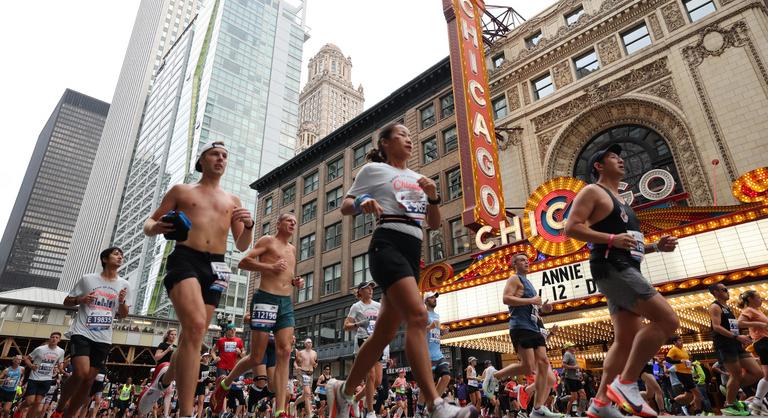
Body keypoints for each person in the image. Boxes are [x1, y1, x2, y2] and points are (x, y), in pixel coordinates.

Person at [325, 122, 476, 418]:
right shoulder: (373, 171)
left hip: (412, 250)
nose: (409, 139)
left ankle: (343, 393)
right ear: (384, 143)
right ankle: (436, 404)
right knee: (419, 315)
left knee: (382, 334)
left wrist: (432, 196)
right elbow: (345, 205)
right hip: (387, 244)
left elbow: (433, 223)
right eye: (401, 136)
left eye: (410, 135)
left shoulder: (419, 177)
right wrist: (363, 202)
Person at [137, 141, 254, 418]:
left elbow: (241, 245)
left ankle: (163, 382)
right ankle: (186, 413)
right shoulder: (182, 190)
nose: (221, 159)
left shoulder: (233, 200)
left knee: (194, 334)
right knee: (197, 326)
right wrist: (158, 226)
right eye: (215, 154)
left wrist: (248, 225)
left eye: (225, 156)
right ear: (202, 160)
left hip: (217, 266)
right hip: (185, 257)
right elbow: (148, 224)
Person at [564, 143, 680, 418]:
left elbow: (630, 243)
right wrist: (611, 239)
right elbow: (571, 227)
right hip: (610, 266)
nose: (620, 160)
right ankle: (626, 382)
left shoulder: (623, 201)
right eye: (612, 157)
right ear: (598, 166)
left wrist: (655, 247)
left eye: (620, 157)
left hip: (626, 265)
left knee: (625, 339)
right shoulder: (593, 191)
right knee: (668, 321)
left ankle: (601, 402)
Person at [209, 213, 303, 418]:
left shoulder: (292, 249)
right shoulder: (267, 241)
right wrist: (270, 266)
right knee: (257, 356)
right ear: (278, 223)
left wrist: (295, 281)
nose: (293, 223)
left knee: (285, 351)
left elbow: (286, 274)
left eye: (295, 222)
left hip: (286, 302)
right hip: (265, 299)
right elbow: (244, 262)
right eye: (289, 220)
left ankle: (280, 410)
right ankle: (225, 383)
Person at [52, 247, 129, 418]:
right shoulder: (88, 279)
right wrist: (81, 299)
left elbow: (123, 315)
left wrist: (122, 301)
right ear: (104, 259)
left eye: (121, 255)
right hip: (82, 332)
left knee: (88, 382)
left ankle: (67, 415)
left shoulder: (124, 285)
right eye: (116, 254)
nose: (120, 257)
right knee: (80, 373)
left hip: (104, 337)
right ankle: (60, 408)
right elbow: (66, 301)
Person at [490, 254, 561, 418]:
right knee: (528, 367)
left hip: (534, 328)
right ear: (514, 264)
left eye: (527, 259)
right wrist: (531, 301)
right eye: (522, 260)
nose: (527, 261)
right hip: (521, 327)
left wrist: (543, 308)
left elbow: (533, 308)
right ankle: (495, 375)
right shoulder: (514, 279)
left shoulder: (529, 283)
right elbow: (506, 299)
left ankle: (537, 409)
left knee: (545, 367)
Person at [707, 283, 761, 416]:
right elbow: (717, 327)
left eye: (727, 289)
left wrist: (742, 337)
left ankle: (731, 389)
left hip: (735, 343)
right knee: (736, 374)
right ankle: (729, 404)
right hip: (725, 345)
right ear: (715, 292)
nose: (727, 291)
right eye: (723, 289)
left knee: (758, 372)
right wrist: (737, 337)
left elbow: (733, 326)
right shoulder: (715, 306)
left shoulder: (727, 307)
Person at [344, 281, 384, 418]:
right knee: (370, 376)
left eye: (372, 288)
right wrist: (358, 324)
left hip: (377, 342)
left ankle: (355, 399)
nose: (370, 290)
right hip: (363, 341)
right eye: (367, 288)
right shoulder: (356, 306)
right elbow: (346, 325)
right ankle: (370, 412)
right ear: (360, 291)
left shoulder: (378, 305)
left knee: (378, 381)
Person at [737, 289, 768, 414]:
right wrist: (759, 324)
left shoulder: (757, 311)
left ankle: (757, 402)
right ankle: (757, 401)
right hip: (763, 343)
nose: (761, 299)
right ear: (750, 299)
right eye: (758, 297)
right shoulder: (749, 310)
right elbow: (739, 323)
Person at [23, 332, 65, 418]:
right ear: (50, 338)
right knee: (29, 401)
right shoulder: (40, 349)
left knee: (37, 403)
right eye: (52, 337)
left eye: (56, 337)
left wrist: (60, 368)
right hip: (34, 378)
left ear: (59, 340)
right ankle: (20, 407)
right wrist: (31, 366)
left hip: (47, 379)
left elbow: (60, 362)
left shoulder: (61, 351)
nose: (54, 339)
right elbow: (27, 358)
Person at [664, 336, 701, 414]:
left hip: (688, 373)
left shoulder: (684, 349)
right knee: (698, 394)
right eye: (679, 341)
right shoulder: (673, 349)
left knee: (687, 395)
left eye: (681, 340)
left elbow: (686, 361)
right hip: (682, 374)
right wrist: (680, 361)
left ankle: (671, 401)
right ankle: (698, 412)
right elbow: (667, 359)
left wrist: (690, 363)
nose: (681, 342)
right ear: (675, 342)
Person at [154, 329, 177, 418]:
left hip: (170, 370)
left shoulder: (176, 346)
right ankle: (152, 411)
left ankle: (166, 414)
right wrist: (167, 350)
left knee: (169, 391)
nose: (173, 336)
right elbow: (156, 358)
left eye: (175, 334)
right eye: (171, 334)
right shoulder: (162, 345)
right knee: (157, 392)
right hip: (161, 369)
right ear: (168, 335)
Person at [295, 339, 317, 418]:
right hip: (303, 373)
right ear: (305, 344)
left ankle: (294, 404)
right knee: (307, 393)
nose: (309, 343)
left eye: (311, 342)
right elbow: (295, 362)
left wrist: (314, 363)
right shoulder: (301, 352)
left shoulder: (314, 353)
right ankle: (309, 413)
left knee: (305, 395)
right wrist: (297, 367)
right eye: (308, 342)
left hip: (310, 373)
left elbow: (315, 365)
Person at [561, 344, 584, 417]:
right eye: (572, 346)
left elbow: (575, 367)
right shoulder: (567, 354)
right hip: (570, 378)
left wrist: (579, 373)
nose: (574, 347)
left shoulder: (572, 355)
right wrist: (574, 367)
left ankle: (579, 411)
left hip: (576, 378)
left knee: (583, 394)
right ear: (568, 348)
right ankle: (567, 412)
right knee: (574, 397)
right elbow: (563, 365)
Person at [195, 353, 212, 418]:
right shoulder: (198, 365)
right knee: (192, 401)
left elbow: (207, 378)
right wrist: (199, 380)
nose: (207, 358)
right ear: (203, 357)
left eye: (208, 357)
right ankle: (189, 414)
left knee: (201, 401)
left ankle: (199, 416)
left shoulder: (208, 367)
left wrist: (209, 384)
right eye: (205, 357)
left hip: (202, 385)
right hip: (195, 384)